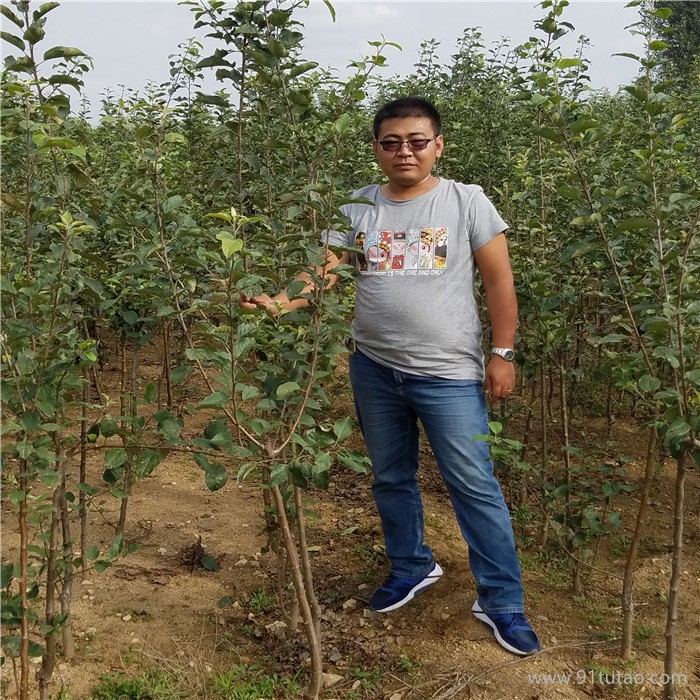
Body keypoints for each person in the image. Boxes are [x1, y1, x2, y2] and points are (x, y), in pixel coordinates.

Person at [241, 96, 540, 656]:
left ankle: (502, 601)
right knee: (391, 477)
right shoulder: (358, 207)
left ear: (438, 146)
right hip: (374, 367)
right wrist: (281, 303)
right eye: (392, 142)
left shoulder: (465, 201)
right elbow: (325, 272)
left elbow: (500, 282)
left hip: (448, 373)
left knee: (474, 485)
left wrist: (502, 353)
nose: (405, 151)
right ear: (377, 149)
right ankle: (411, 565)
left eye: (417, 141)